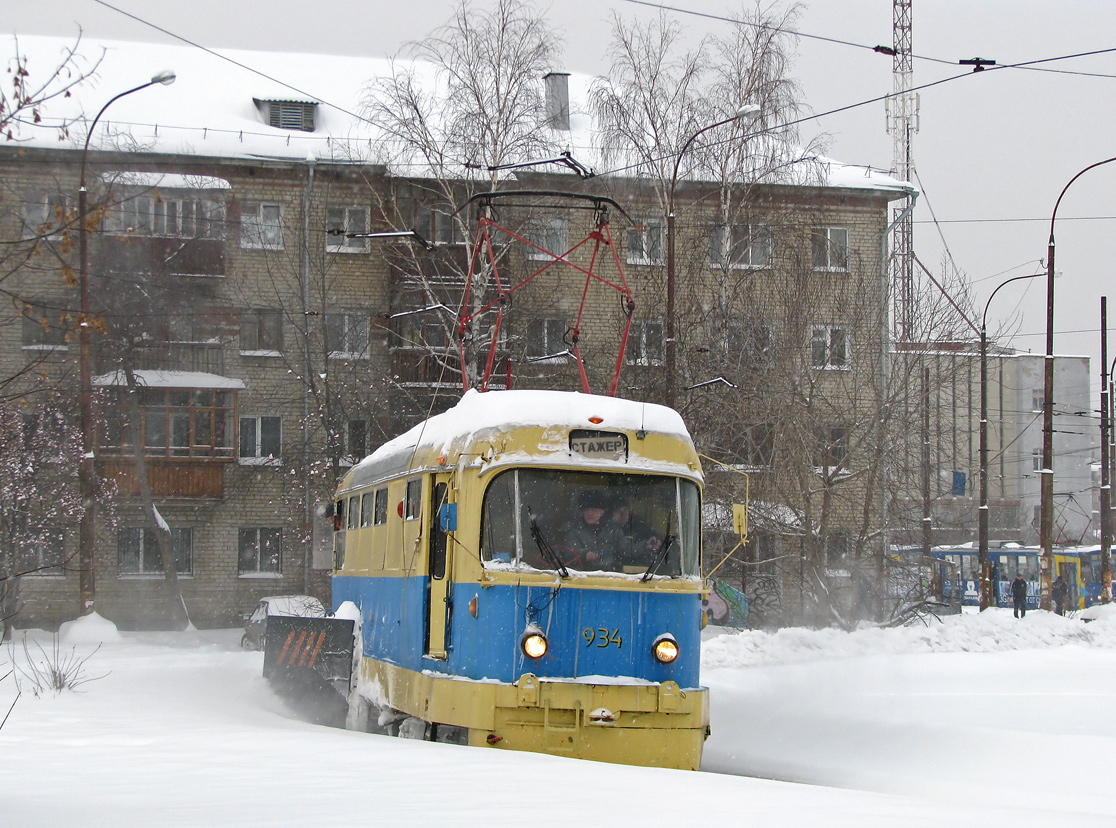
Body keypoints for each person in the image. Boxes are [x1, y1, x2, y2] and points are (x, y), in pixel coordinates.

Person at [563, 490, 625, 570]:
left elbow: (626, 549)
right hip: (582, 576)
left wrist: (645, 545)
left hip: (611, 575)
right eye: (586, 510)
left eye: (594, 510)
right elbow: (569, 551)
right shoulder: (573, 531)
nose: (590, 513)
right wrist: (585, 554)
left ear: (602, 512)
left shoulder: (614, 531)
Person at [609, 496, 662, 566]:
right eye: (618, 511)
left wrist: (652, 544)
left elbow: (656, 541)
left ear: (629, 511)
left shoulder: (639, 526)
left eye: (625, 510)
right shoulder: (605, 529)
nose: (623, 515)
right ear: (610, 514)